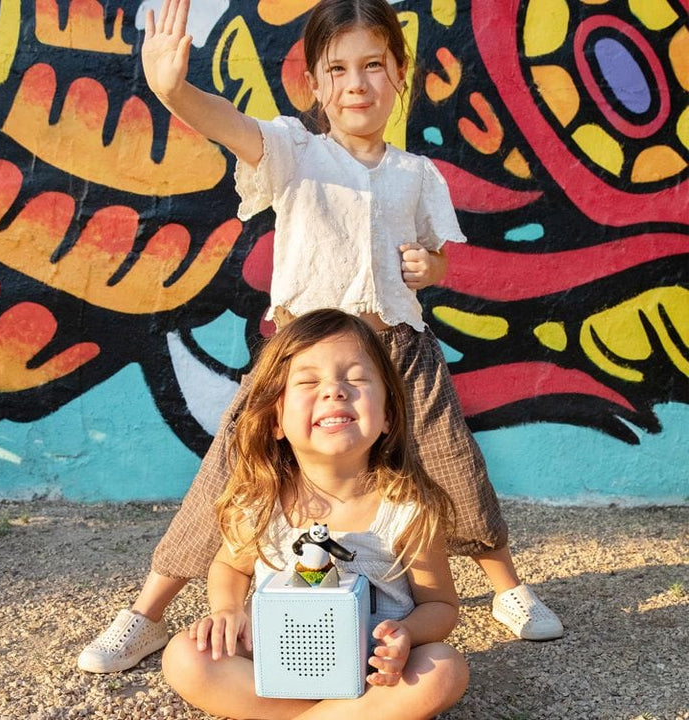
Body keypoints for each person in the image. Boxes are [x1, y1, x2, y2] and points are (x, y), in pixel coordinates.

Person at [77, 0, 562, 675]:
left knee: (455, 468)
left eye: (373, 66)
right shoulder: (294, 151)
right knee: (229, 473)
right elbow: (230, 124)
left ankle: (508, 591)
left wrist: (432, 269)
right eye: (336, 69)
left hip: (401, 352)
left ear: (399, 75)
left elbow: (438, 257)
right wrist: (173, 90)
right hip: (302, 360)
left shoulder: (417, 174)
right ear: (312, 83)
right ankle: (147, 614)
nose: (356, 83)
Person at [161, 308, 470, 719]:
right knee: (185, 656)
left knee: (443, 668)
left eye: (356, 379)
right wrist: (228, 609)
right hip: (280, 664)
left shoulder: (406, 509)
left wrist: (406, 634)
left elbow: (441, 606)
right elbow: (231, 567)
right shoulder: (261, 501)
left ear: (388, 416)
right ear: (275, 420)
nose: (335, 391)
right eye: (308, 382)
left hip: (373, 674)